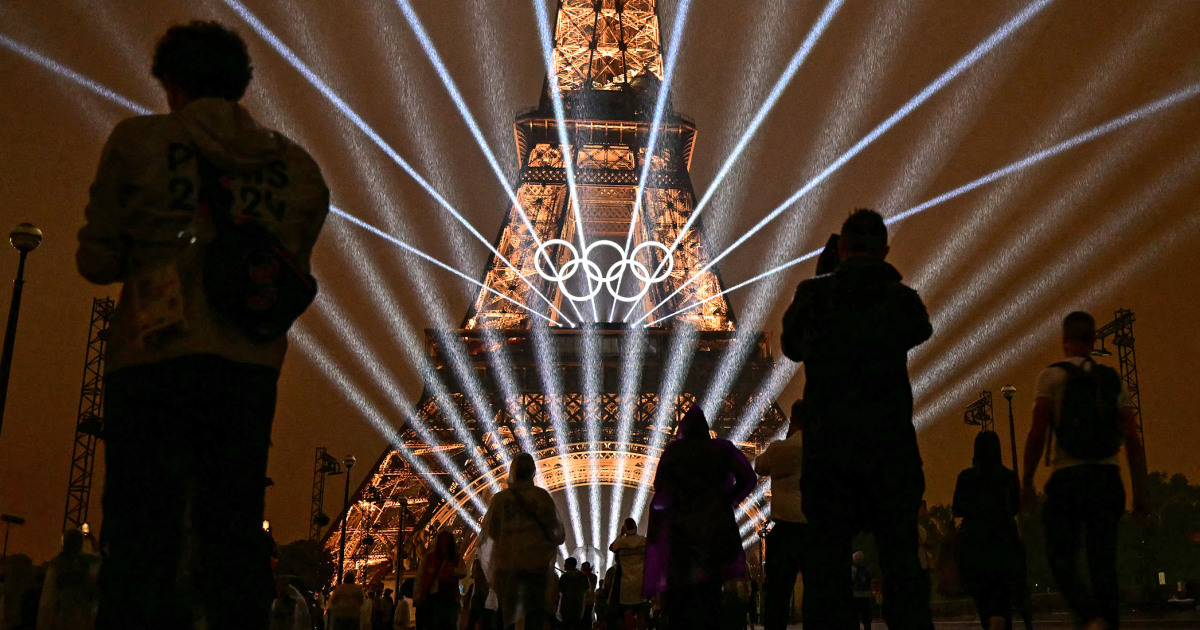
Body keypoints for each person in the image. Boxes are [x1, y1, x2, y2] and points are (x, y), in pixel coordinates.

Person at [77, 20, 329, 630]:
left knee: (140, 537)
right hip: (245, 368)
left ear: (173, 84)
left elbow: (97, 259)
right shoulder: (298, 170)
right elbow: (292, 269)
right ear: (242, 83)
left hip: (152, 358)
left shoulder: (136, 143)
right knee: (233, 532)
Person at [781, 208, 933, 629]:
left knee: (827, 567)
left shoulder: (815, 294)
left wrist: (825, 279)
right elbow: (921, 331)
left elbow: (792, 345)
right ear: (885, 250)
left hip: (831, 450)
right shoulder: (900, 297)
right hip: (889, 446)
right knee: (902, 562)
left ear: (842, 247)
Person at [1021, 311, 1150, 630]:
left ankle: (1089, 615)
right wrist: (1141, 492)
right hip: (1108, 477)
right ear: (1093, 340)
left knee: (1059, 554)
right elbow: (1132, 438)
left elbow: (1037, 433)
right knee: (1103, 562)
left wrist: (1026, 480)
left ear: (1064, 340)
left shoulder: (1050, 377)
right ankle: (1106, 621)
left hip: (1068, 476)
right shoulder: (1112, 380)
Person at [644, 405, 756, 630]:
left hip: (681, 536)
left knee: (681, 599)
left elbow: (661, 489)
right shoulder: (721, 449)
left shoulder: (674, 452)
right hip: (714, 531)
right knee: (711, 595)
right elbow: (749, 478)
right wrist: (728, 500)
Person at [479, 453, 567, 630]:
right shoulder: (541, 497)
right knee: (534, 617)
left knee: (505, 618)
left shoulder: (500, 499)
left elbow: (491, 532)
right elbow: (557, 535)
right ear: (533, 472)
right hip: (535, 569)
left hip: (507, 568)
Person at [953, 431, 1021, 630]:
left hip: (976, 546)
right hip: (1005, 542)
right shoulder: (1008, 477)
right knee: (1003, 602)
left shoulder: (966, 477)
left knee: (983, 600)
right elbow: (1016, 507)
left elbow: (957, 509)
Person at [753, 400, 806, 630]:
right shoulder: (830, 449)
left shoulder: (780, 449)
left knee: (777, 595)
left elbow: (759, 466)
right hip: (818, 531)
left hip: (786, 529)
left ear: (793, 420)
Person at [35, 528, 101, 630]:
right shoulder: (84, 561)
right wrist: (92, 539)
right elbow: (99, 558)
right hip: (78, 615)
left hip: (60, 615)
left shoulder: (57, 562)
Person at [415, 531, 465, 630]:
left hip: (443, 595)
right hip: (438, 596)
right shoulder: (431, 557)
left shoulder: (432, 557)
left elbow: (420, 578)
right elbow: (420, 577)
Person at [609, 518, 648, 629]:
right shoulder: (643, 540)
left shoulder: (621, 542)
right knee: (641, 612)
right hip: (641, 582)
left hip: (625, 584)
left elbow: (611, 547)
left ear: (625, 528)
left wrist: (621, 534)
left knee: (627, 611)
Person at [557, 558, 590, 630]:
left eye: (565, 563)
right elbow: (587, 589)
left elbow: (559, 589)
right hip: (578, 607)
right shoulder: (583, 576)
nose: (564, 565)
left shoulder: (564, 577)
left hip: (566, 608)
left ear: (570, 564)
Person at [850, 553, 872, 630]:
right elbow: (869, 583)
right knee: (866, 618)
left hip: (855, 596)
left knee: (855, 617)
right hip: (865, 596)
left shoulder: (852, 569)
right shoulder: (866, 569)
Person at [580, 562, 598, 630]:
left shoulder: (583, 576)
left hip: (584, 600)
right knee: (588, 617)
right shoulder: (594, 576)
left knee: (583, 618)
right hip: (591, 600)